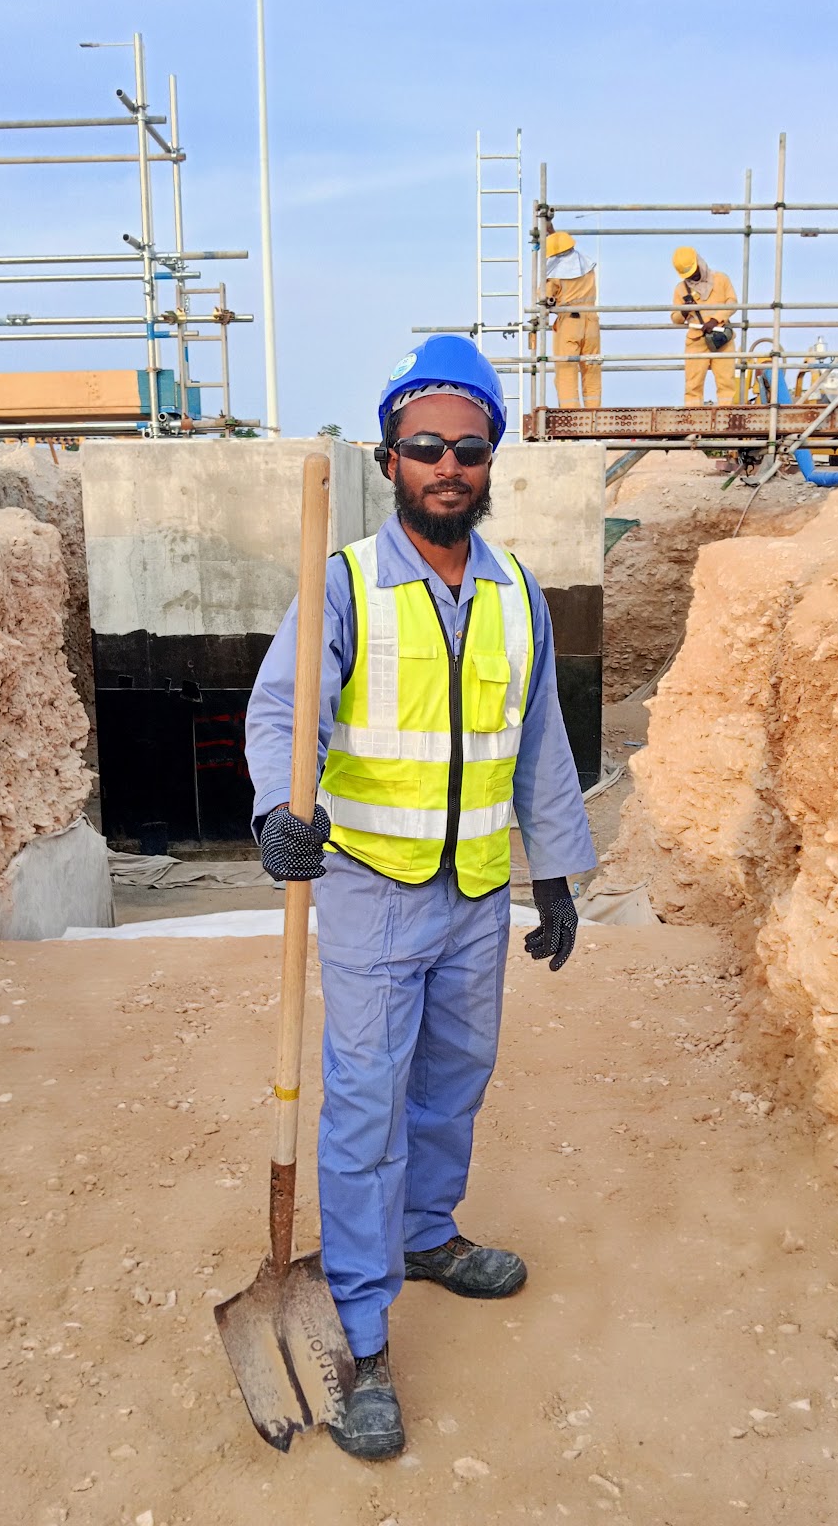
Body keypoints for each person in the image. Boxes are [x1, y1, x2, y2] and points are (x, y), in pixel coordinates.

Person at [244, 334, 596, 1461]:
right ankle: (359, 1332)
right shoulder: (345, 583)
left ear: (492, 460)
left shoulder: (516, 592)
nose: (449, 466)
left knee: (452, 1086)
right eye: (428, 447)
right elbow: (283, 712)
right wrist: (277, 809)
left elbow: (538, 742)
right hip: (373, 893)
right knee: (364, 1109)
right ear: (390, 457)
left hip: (476, 894)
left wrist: (554, 875)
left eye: (469, 448)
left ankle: (427, 1234)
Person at [671, 246, 737, 406]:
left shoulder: (721, 279)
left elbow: (732, 303)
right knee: (693, 384)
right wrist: (684, 311)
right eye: (688, 274)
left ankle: (727, 414)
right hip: (696, 341)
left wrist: (715, 320)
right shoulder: (681, 289)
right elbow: (675, 318)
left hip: (721, 338)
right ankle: (693, 416)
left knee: (726, 381)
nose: (693, 276)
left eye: (694, 271)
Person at [545, 230, 600, 408]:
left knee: (566, 371)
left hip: (569, 323)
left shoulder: (556, 275)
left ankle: (571, 414)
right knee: (591, 369)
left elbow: (544, 299)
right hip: (592, 322)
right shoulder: (588, 268)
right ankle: (594, 414)